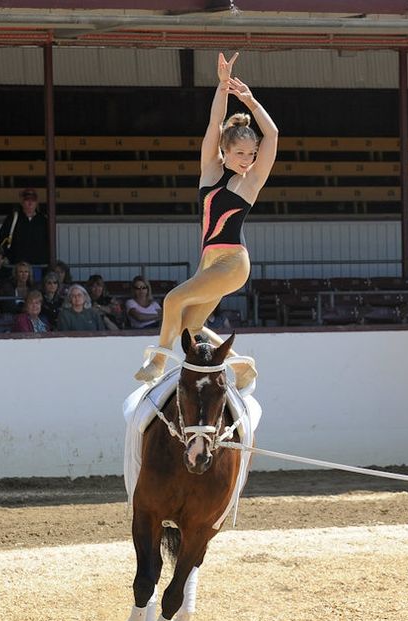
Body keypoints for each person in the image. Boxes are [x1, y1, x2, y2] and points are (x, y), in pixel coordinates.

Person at [134, 52, 278, 390]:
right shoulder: (210, 171)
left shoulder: (251, 182)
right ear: (226, 152)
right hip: (209, 262)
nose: (247, 160)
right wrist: (223, 86)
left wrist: (253, 103)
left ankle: (157, 361)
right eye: (241, 153)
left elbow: (273, 135)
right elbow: (215, 124)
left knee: (171, 300)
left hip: (232, 262)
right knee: (190, 326)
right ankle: (242, 367)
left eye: (251, 155)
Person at [0, 188, 49, 270]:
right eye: (27, 200)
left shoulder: (43, 220)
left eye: (33, 200)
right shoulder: (13, 219)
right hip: (16, 265)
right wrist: (5, 256)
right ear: (22, 202)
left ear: (37, 202)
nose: (30, 203)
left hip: (39, 266)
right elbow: (1, 240)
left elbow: (49, 242)